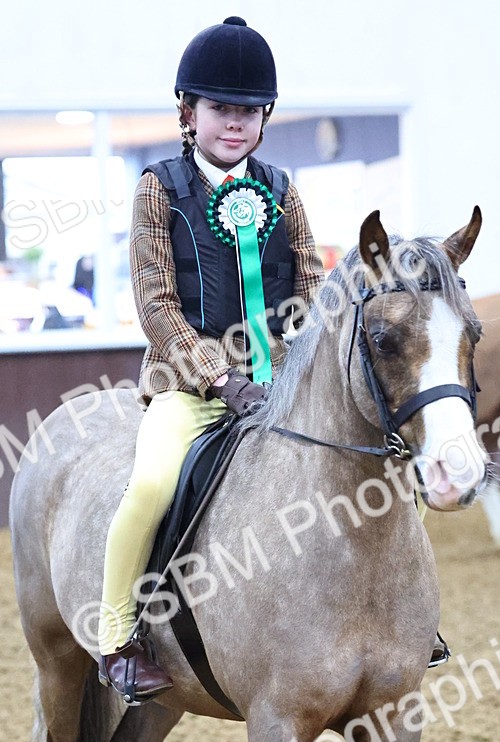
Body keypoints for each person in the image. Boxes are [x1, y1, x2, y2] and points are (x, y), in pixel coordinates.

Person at [97, 15, 325, 700]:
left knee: (376, 467)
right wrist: (221, 378)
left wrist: (300, 363)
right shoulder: (159, 187)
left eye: (249, 110)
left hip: (281, 384)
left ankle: (397, 621)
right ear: (188, 113)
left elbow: (312, 284)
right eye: (222, 108)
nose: (236, 121)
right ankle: (117, 637)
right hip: (189, 388)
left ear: (265, 119)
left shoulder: (282, 189)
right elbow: (156, 303)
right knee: (150, 488)